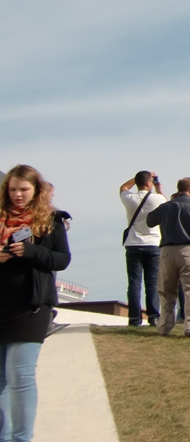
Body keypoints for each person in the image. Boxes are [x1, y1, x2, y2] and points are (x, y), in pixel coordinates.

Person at [0, 165, 71, 442]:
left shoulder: (51, 220)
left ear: (36, 190)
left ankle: (21, 438)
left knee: (20, 376)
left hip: (31, 308)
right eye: (13, 189)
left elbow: (62, 259)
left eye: (24, 189)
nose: (18, 195)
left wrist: (31, 251)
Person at [145, 178, 190, 339]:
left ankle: (164, 326)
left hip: (167, 251)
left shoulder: (166, 206)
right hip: (189, 250)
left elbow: (150, 220)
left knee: (166, 291)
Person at [119, 171, 166, 327]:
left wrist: (137, 177)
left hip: (133, 244)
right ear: (148, 183)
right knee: (152, 282)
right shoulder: (157, 199)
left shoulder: (130, 199)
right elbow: (167, 205)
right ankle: (154, 317)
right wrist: (159, 189)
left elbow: (123, 187)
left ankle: (134, 318)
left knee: (134, 283)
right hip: (153, 243)